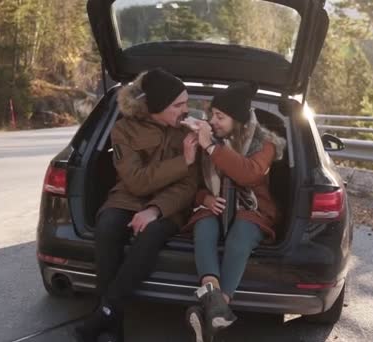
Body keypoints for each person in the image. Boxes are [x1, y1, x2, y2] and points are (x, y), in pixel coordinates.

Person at [75, 68, 199, 342]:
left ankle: (105, 312)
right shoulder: (123, 129)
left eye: (186, 103)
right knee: (106, 226)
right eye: (178, 105)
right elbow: (136, 181)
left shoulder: (187, 132)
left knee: (151, 233)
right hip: (127, 197)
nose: (186, 110)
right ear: (156, 107)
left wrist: (154, 210)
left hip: (169, 206)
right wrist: (183, 161)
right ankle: (113, 325)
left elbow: (188, 186)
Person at [182, 82, 286, 342]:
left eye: (220, 117)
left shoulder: (266, 143)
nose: (213, 121)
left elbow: (249, 173)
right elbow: (191, 184)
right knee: (204, 227)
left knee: (240, 234)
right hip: (214, 207)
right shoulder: (209, 138)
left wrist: (212, 148)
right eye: (212, 114)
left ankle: (212, 308)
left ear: (238, 119)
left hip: (253, 209)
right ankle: (217, 310)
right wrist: (205, 198)